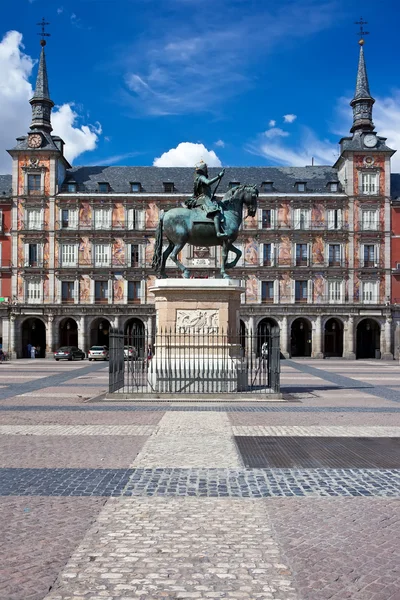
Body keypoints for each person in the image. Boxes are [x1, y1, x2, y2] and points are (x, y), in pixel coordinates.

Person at [185, 161, 227, 238]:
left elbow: (197, 193)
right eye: (207, 170)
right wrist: (218, 176)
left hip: (202, 198)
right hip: (204, 199)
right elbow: (208, 182)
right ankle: (218, 232)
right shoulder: (201, 177)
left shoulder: (197, 179)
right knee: (216, 212)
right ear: (204, 171)